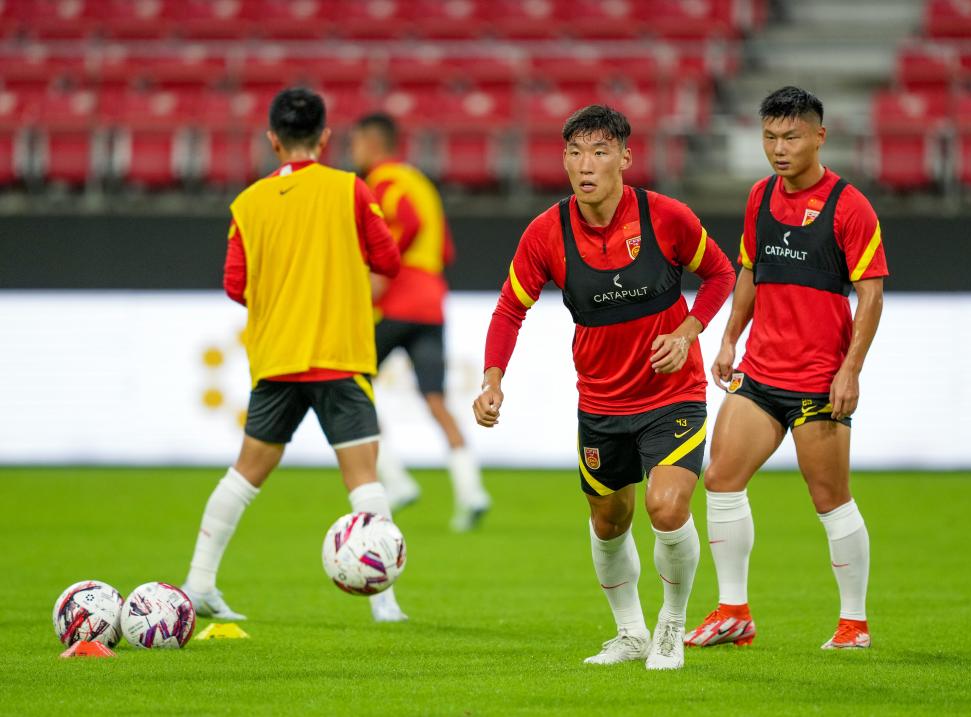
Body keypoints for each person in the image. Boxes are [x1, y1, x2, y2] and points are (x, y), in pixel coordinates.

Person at [473, 105, 734, 669]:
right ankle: (630, 633)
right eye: (574, 153)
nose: (585, 165)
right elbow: (510, 309)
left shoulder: (666, 217)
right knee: (608, 521)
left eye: (598, 152)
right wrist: (492, 379)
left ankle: (671, 625)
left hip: (672, 395)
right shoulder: (546, 232)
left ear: (625, 157)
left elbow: (721, 273)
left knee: (666, 508)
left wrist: (688, 332)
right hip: (601, 403)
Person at [181, 88, 409, 623]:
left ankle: (199, 584)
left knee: (243, 476)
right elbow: (389, 260)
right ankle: (385, 602)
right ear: (325, 138)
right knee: (364, 480)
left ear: (273, 139)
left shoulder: (248, 203)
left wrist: (283, 297)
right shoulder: (350, 190)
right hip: (339, 354)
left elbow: (234, 284)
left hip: (278, 358)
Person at [684, 86, 887, 651]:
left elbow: (870, 296)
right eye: (770, 137)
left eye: (791, 137)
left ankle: (853, 624)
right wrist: (729, 340)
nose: (779, 148)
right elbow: (750, 271)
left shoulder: (849, 206)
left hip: (819, 380)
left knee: (830, 498)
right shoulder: (760, 196)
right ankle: (734, 612)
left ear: (819, 136)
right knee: (720, 479)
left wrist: (850, 370)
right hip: (760, 373)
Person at [350, 113, 491, 532]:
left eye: (355, 143)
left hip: (397, 301)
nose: (353, 151)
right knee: (435, 398)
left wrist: (381, 271)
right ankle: (471, 491)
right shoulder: (422, 182)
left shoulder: (384, 181)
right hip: (431, 303)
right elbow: (444, 249)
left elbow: (405, 223)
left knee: (352, 382)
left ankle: (394, 480)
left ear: (372, 143)